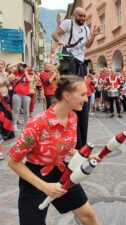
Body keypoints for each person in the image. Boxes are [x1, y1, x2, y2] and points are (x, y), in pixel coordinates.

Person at [7, 76, 100, 225]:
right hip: (34, 176)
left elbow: (67, 149)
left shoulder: (73, 118)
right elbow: (12, 161)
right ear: (67, 95)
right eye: (82, 94)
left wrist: (86, 157)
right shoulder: (37, 123)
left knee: (88, 215)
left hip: (62, 171)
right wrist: (44, 187)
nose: (86, 97)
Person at [52, 7, 100, 149]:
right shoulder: (68, 23)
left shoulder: (86, 29)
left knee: (80, 91)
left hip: (80, 62)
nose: (83, 18)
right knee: (70, 87)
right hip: (68, 60)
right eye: (80, 15)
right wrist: (60, 41)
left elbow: (87, 44)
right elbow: (55, 34)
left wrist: (94, 35)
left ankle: (81, 144)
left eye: (84, 16)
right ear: (75, 15)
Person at [12, 63, 32, 132]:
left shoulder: (29, 74)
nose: (22, 67)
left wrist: (25, 72)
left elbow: (29, 80)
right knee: (16, 110)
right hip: (17, 94)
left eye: (24, 66)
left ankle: (27, 125)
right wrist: (19, 63)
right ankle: (14, 125)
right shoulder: (16, 72)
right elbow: (9, 68)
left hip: (26, 95)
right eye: (21, 66)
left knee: (26, 110)